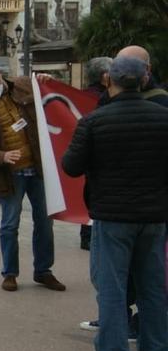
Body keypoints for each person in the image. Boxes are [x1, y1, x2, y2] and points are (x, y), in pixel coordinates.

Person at [62, 56, 168, 351]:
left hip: (112, 214)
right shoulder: (164, 118)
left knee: (112, 285)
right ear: (145, 78)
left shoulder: (96, 121)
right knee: (152, 286)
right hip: (154, 215)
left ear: (110, 80)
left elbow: (71, 166)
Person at [0, 63, 65, 293]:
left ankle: (43, 270)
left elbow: (54, 97)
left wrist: (48, 80)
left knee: (45, 222)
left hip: (38, 169)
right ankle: (10, 273)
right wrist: (1, 156)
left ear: (1, 76)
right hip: (7, 175)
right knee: (10, 224)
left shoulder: (24, 86)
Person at [75, 57, 113, 250]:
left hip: (88, 158)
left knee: (89, 194)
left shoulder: (79, 96)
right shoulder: (108, 98)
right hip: (106, 159)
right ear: (105, 76)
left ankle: (87, 234)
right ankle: (92, 234)